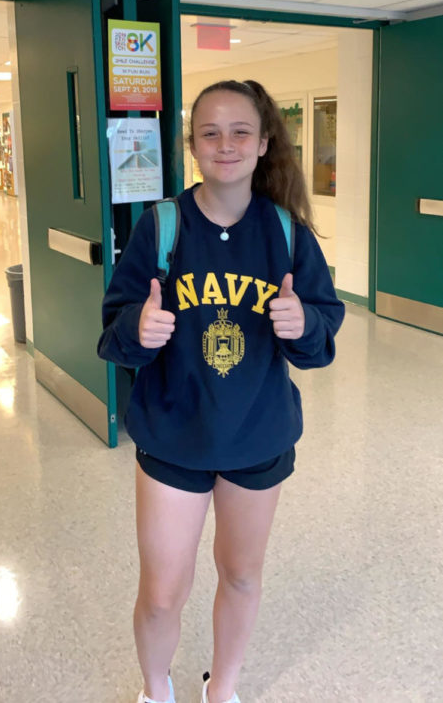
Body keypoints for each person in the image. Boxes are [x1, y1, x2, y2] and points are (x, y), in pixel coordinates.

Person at [98, 79, 345, 703]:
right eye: (210, 132)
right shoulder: (162, 226)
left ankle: (222, 687)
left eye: (241, 132)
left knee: (240, 576)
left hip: (257, 438)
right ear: (193, 145)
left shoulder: (288, 234)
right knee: (161, 590)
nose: (225, 144)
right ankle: (157, 690)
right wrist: (139, 328)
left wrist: (305, 324)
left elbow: (320, 338)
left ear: (264, 144)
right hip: (174, 435)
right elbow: (113, 334)